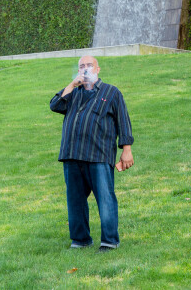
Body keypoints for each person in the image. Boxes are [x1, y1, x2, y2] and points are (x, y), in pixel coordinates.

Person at [49, 56, 134, 252]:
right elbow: (55, 105)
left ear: (98, 69)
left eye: (89, 65)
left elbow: (123, 120)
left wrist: (126, 150)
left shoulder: (111, 92)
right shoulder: (73, 93)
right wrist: (72, 84)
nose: (85, 69)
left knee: (105, 198)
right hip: (71, 154)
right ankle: (80, 240)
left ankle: (109, 241)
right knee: (75, 200)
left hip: (98, 155)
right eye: (81, 66)